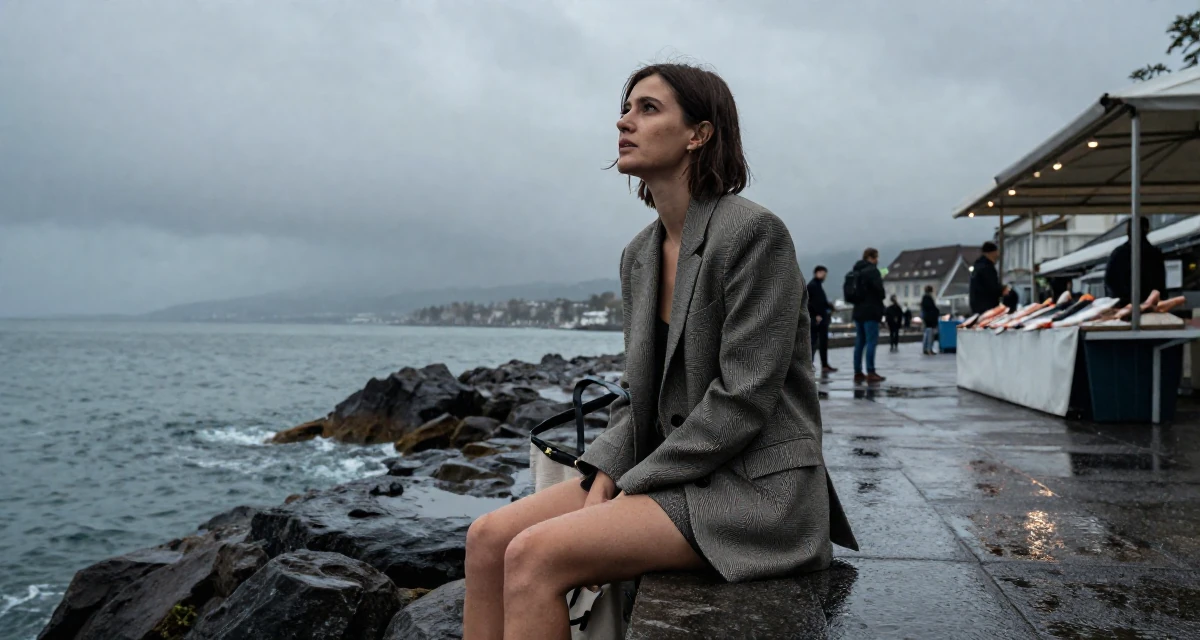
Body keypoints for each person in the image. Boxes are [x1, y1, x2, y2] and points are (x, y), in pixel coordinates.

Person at [462, 63, 858, 639]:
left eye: (648, 109)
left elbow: (742, 400)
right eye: (627, 108)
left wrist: (634, 481)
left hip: (751, 489)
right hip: (675, 474)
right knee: (488, 539)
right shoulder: (639, 254)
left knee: (536, 556)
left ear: (699, 133)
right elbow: (638, 394)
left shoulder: (753, 235)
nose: (625, 121)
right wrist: (603, 470)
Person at [1104, 216, 1167, 307]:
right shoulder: (1155, 253)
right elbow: (1160, 284)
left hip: (1123, 306)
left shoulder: (1118, 253)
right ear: (1147, 229)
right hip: (1150, 305)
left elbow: (1109, 281)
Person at [851, 248, 886, 383]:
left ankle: (858, 372)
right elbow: (880, 292)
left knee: (860, 342)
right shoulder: (872, 271)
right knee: (871, 341)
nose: (877, 260)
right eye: (876, 257)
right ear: (871, 257)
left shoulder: (856, 270)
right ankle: (871, 371)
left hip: (858, 311)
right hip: (871, 311)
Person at [807, 265, 837, 373]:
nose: (825, 277)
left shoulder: (816, 285)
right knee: (815, 342)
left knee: (819, 342)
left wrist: (829, 306)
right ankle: (812, 364)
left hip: (820, 317)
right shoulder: (813, 286)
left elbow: (821, 301)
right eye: (824, 274)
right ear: (818, 273)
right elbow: (812, 303)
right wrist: (816, 315)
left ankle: (822, 364)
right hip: (818, 318)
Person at [969, 241, 1003, 315]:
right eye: (996, 252)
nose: (998, 254)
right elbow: (992, 286)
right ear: (991, 253)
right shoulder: (987, 268)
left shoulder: (978, 265)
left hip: (978, 306)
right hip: (987, 307)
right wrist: (1002, 290)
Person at [920, 286, 940, 355]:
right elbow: (932, 309)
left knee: (927, 334)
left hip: (927, 319)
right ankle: (929, 349)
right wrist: (937, 312)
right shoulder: (928, 298)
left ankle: (926, 349)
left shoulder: (925, 298)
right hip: (930, 320)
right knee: (930, 335)